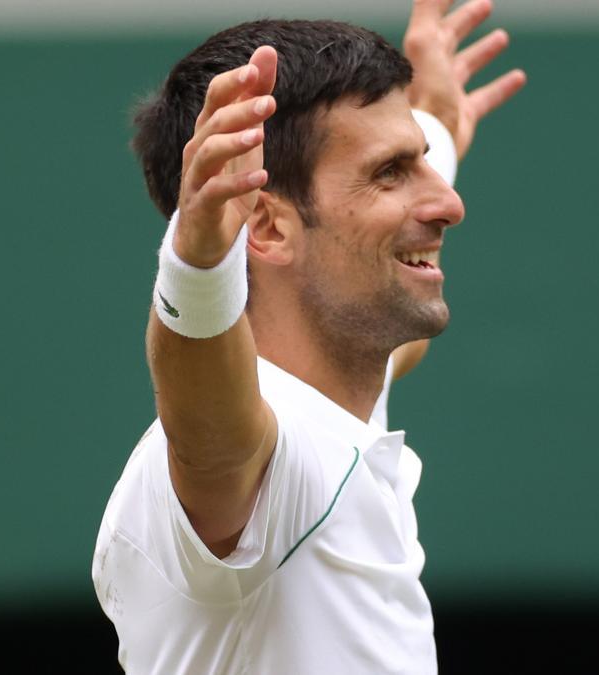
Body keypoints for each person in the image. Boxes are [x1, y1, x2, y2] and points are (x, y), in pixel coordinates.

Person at [91, 2, 525, 672]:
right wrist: (199, 261)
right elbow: (207, 418)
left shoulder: (338, 385)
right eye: (392, 171)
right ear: (265, 227)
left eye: (423, 161)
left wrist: (434, 122)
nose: (449, 204)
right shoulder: (252, 456)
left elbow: (387, 319)